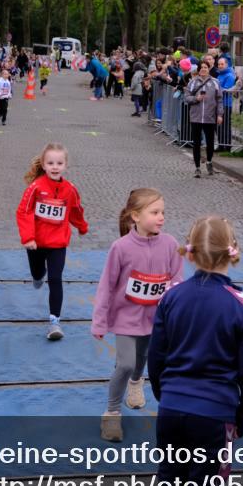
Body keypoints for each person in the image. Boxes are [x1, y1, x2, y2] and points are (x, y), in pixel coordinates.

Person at [148, 215, 243, 486]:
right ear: (232, 252)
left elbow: (156, 357)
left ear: (191, 252)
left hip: (173, 408)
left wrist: (166, 397)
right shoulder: (240, 303)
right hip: (214, 417)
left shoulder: (172, 296)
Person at [92, 188, 182, 442]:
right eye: (154, 212)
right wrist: (99, 320)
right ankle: (111, 413)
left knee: (143, 358)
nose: (161, 217)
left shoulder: (171, 245)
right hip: (125, 319)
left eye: (163, 212)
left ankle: (135, 383)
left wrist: (171, 299)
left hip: (156, 320)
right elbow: (106, 286)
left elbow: (177, 280)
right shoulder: (120, 248)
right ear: (136, 216)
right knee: (126, 363)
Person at [16, 143, 88, 341]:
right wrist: (28, 238)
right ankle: (38, 275)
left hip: (58, 243)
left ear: (65, 165)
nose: (55, 167)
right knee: (38, 274)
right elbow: (24, 212)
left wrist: (82, 226)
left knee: (55, 279)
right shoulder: (36, 188)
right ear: (44, 165)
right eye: (50, 163)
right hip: (36, 244)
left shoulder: (70, 190)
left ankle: (54, 321)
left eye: (59, 163)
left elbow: (75, 210)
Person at [184, 60, 223, 178]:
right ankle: (197, 167)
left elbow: (219, 99)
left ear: (209, 68)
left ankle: (209, 161)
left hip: (209, 117)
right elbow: (186, 98)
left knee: (210, 143)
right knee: (196, 143)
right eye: (201, 68)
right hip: (195, 117)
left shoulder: (215, 82)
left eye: (205, 67)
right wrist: (197, 98)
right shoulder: (192, 82)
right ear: (198, 70)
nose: (203, 69)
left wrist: (220, 114)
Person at [215, 56, 236, 151]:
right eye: (219, 64)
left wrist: (215, 90)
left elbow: (226, 90)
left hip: (226, 104)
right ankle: (220, 144)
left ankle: (227, 146)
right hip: (218, 103)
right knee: (219, 125)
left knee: (225, 125)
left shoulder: (229, 76)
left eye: (222, 64)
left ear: (226, 65)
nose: (220, 66)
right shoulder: (219, 75)